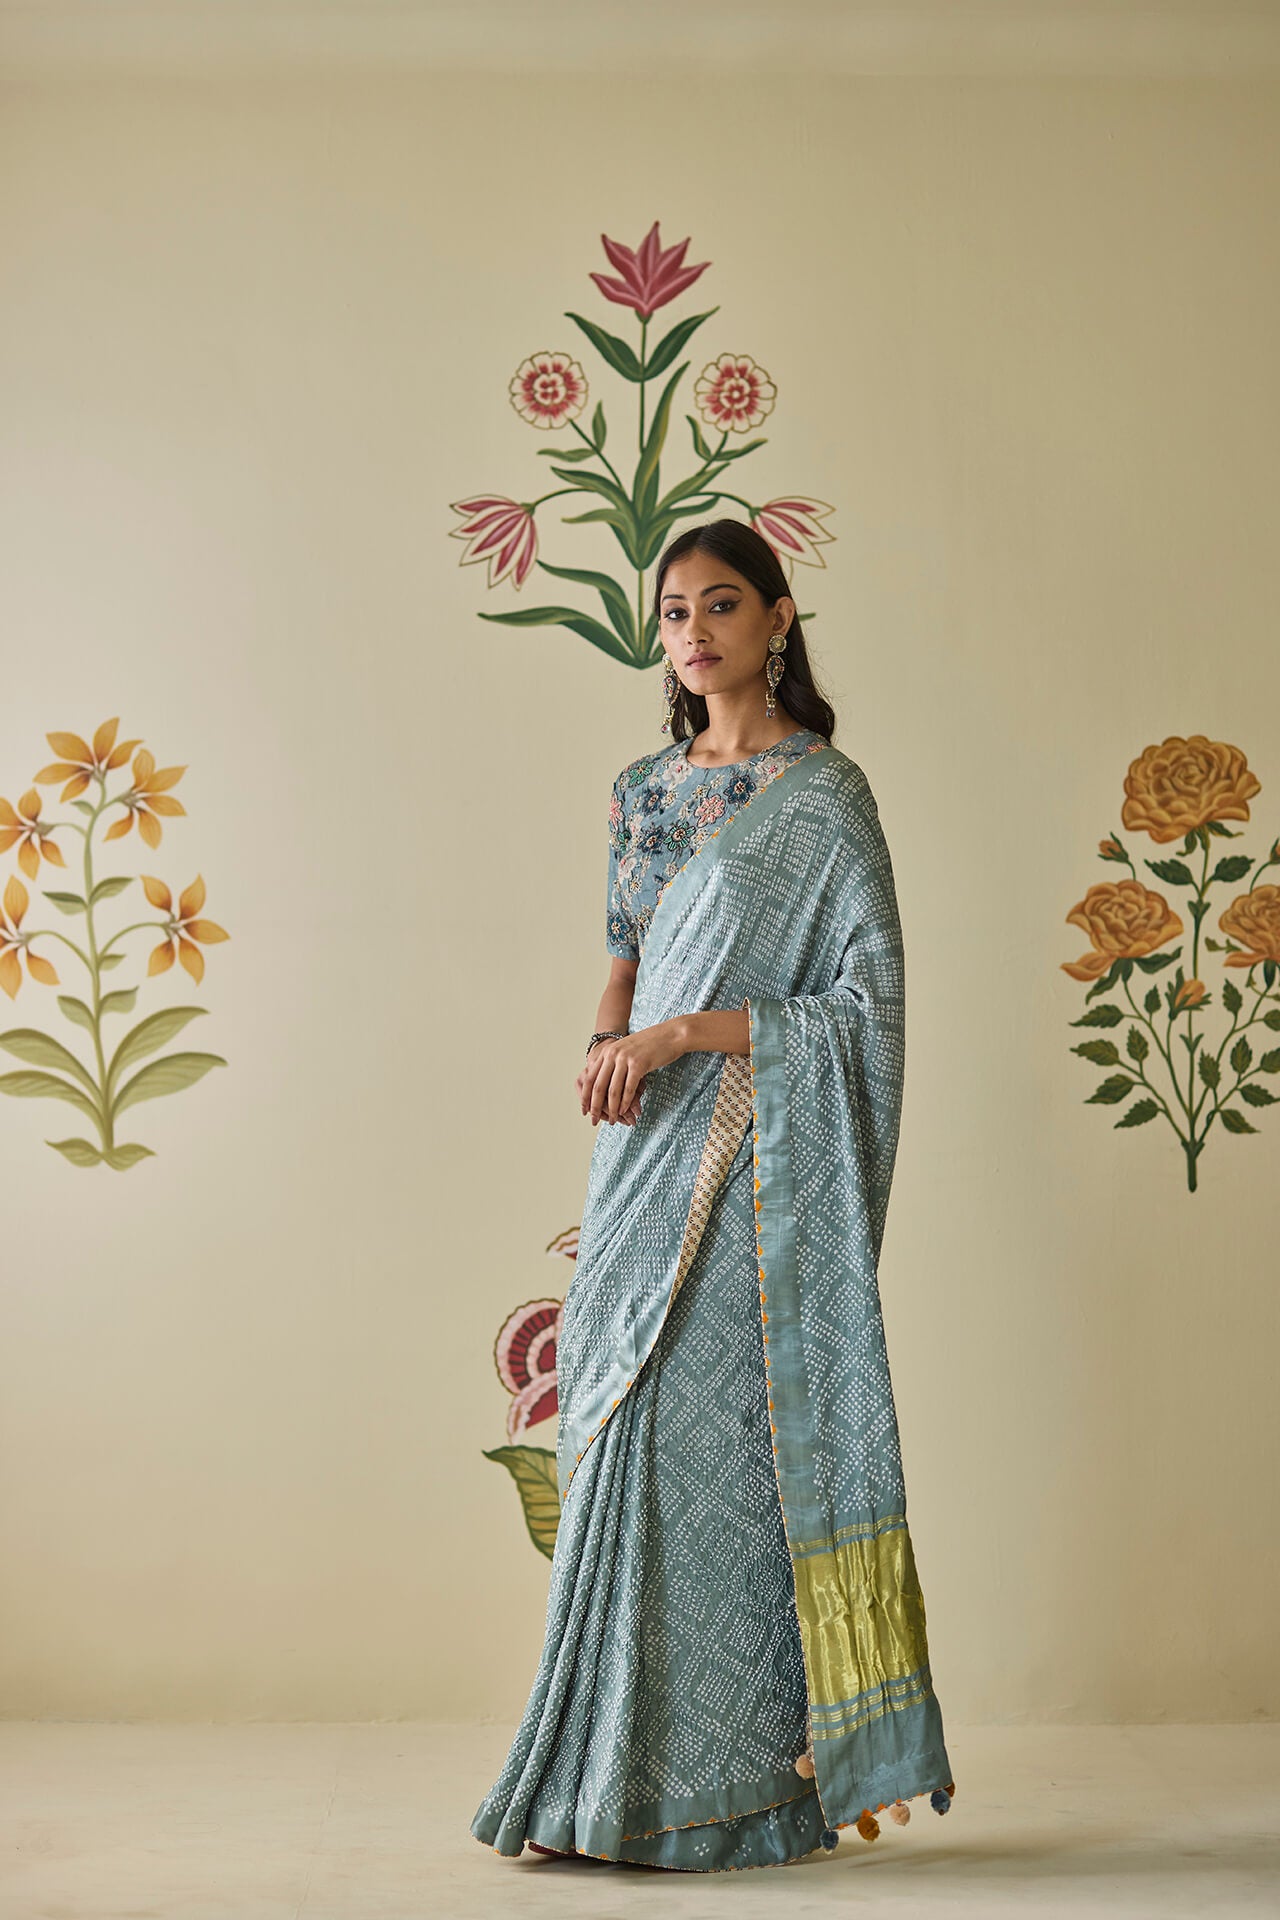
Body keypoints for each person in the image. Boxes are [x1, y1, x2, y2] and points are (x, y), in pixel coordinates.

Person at [471, 518, 954, 1873]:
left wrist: (684, 1037)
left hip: (752, 1170)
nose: (694, 631)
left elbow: (863, 1008)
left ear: (779, 618)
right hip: (642, 1153)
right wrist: (607, 1042)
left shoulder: (827, 796)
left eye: (722, 603)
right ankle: (593, 1782)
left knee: (725, 1460)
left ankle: (740, 1793)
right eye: (675, 610)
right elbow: (625, 957)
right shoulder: (642, 790)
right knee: (613, 1440)